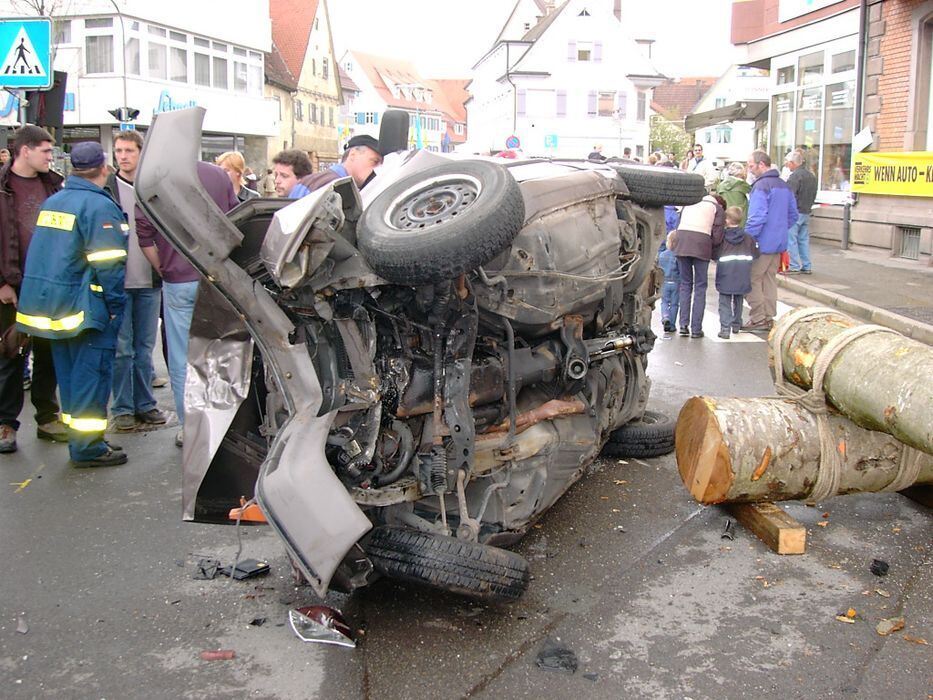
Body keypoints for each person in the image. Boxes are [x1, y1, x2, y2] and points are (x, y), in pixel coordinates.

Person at [15, 142, 128, 467]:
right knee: (91, 377)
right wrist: (115, 306)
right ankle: (88, 448)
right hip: (87, 308)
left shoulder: (55, 201)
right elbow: (109, 264)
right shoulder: (98, 206)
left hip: (55, 306)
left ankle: (82, 439)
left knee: (69, 378)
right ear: (104, 168)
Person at [136, 162, 238, 447]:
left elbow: (144, 234)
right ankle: (221, 425)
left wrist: (164, 268)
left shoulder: (154, 176)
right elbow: (234, 220)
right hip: (217, 278)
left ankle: (190, 429)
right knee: (220, 354)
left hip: (178, 280)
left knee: (182, 357)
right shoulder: (217, 175)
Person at [0, 125, 67, 453]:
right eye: (45, 151)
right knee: (9, 355)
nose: (50, 157)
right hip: (10, 287)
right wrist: (2, 283)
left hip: (47, 285)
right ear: (24, 150)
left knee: (48, 353)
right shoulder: (2, 187)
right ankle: (5, 424)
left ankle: (47, 417)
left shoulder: (52, 185)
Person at [103, 130, 167, 433]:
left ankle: (145, 404)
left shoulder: (151, 188)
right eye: (119, 151)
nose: (123, 156)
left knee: (144, 348)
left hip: (149, 280)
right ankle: (123, 408)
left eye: (129, 150)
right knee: (122, 350)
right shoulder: (107, 188)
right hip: (119, 281)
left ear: (141, 153)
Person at [743, 150, 798, 332]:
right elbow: (793, 215)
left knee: (751, 279)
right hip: (778, 243)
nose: (750, 170)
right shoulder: (784, 185)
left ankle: (758, 317)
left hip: (761, 242)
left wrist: (747, 238)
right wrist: (779, 229)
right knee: (769, 279)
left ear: (761, 164)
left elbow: (757, 217)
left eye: (751, 166)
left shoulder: (761, 186)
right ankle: (768, 317)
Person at [670, 193, 725, 338]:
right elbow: (717, 235)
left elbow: (678, 225)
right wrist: (712, 248)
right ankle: (696, 329)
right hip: (702, 245)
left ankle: (683, 325)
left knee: (685, 284)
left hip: (682, 243)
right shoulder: (716, 208)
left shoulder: (689, 203)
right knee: (700, 287)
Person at [713, 206, 759, 339]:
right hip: (743, 274)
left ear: (726, 220)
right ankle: (736, 324)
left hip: (725, 274)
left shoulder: (722, 238)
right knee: (738, 300)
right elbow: (755, 254)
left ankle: (725, 328)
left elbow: (715, 254)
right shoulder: (749, 238)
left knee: (724, 302)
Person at [289, 135, 383, 197]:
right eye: (375, 161)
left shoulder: (313, 180)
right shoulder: (336, 187)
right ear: (352, 155)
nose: (378, 168)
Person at [784, 151, 817, 274]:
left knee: (791, 240)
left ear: (793, 163)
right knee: (803, 240)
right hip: (806, 211)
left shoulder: (794, 177)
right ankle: (806, 265)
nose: (787, 166)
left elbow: (789, 196)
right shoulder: (811, 176)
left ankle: (793, 266)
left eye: (788, 163)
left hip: (795, 213)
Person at [658, 231, 680, 334]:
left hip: (664, 282)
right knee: (674, 304)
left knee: (664, 302)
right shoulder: (678, 256)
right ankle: (672, 325)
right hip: (676, 282)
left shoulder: (662, 255)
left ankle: (665, 316)